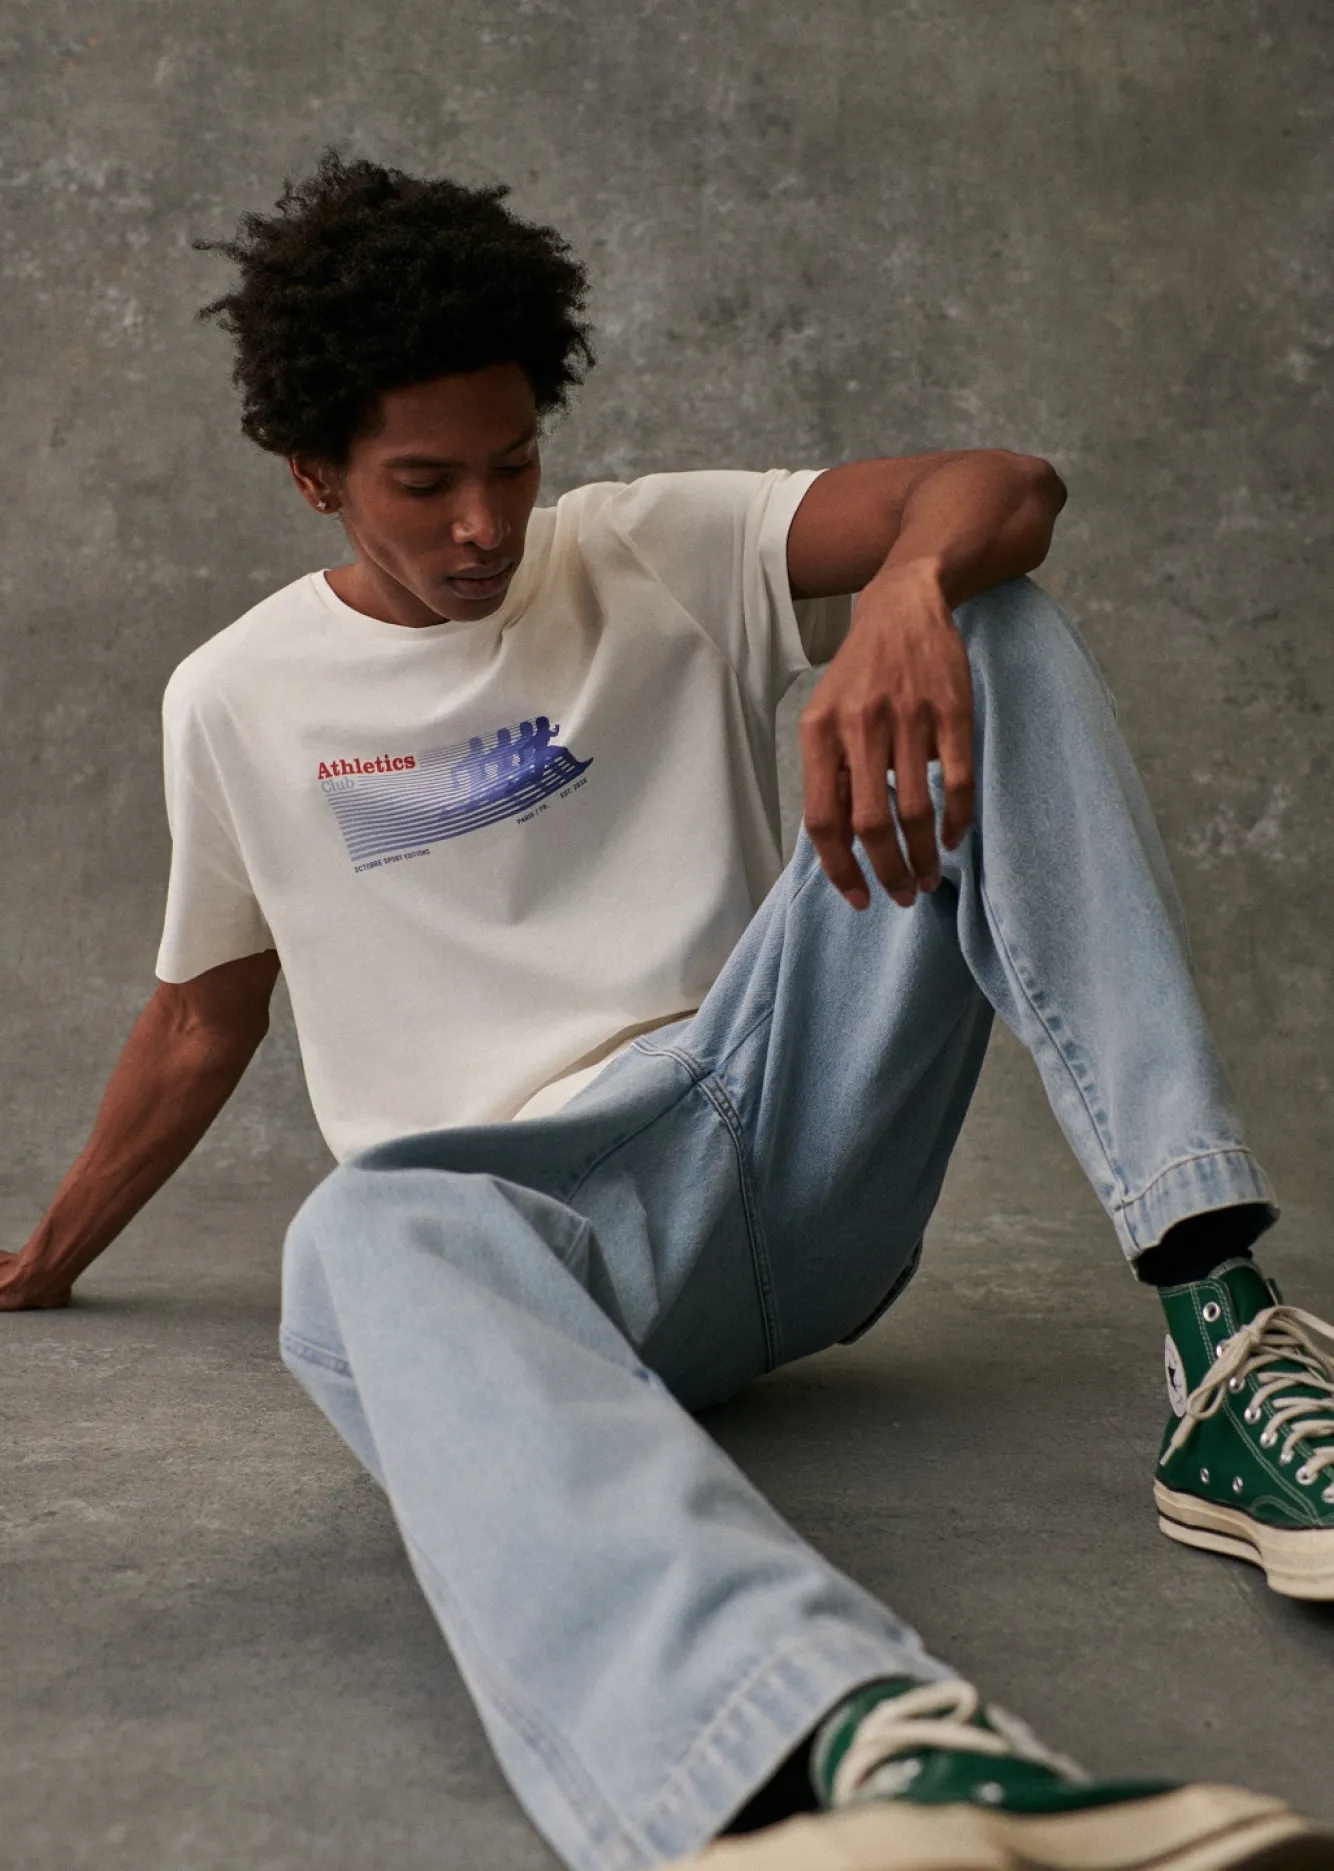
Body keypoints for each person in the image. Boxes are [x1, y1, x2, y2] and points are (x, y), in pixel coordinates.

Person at [3, 150, 1331, 1871]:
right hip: (544, 1237)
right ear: (313, 474)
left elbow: (1001, 485)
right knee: (357, 1233)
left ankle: (1219, 1335)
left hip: (779, 1108)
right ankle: (829, 1753)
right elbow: (202, 1016)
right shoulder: (234, 699)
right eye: (423, 482)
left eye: (511, 463)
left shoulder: (652, 546)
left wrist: (902, 597)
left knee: (989, 622)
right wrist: (49, 1252)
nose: (484, 525)